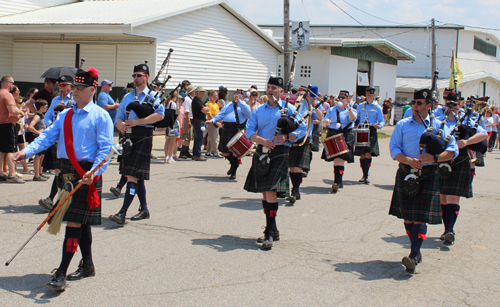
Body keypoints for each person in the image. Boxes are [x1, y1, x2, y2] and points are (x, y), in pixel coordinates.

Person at [13, 67, 114, 290]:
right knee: (82, 223)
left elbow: (105, 149)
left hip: (87, 174)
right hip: (67, 174)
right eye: (73, 86)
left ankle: (61, 272)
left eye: (79, 87)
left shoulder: (101, 116)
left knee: (74, 223)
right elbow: (47, 137)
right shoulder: (65, 115)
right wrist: (26, 152)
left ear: (91, 89)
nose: (73, 90)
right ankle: (87, 264)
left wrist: (94, 173)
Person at [389, 89, 458, 274]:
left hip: (428, 175)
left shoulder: (439, 126)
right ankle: (416, 252)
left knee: (420, 217)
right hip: (405, 172)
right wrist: (408, 160)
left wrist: (435, 159)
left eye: (419, 103)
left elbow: (453, 151)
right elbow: (394, 147)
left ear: (429, 105)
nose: (414, 106)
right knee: (408, 218)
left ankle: (413, 254)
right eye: (413, 103)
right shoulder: (403, 124)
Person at [244, 76, 306, 250]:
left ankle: (268, 234)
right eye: (268, 87)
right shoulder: (258, 110)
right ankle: (274, 229)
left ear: (281, 91)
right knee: (265, 193)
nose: (270, 90)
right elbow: (249, 130)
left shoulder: (290, 109)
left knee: (270, 192)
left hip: (280, 153)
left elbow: (302, 129)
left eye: (274, 88)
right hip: (262, 152)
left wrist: (286, 137)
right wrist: (262, 140)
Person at [109, 63, 164, 224]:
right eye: (134, 75)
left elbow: (159, 116)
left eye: (139, 75)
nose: (136, 78)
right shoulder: (127, 97)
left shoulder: (153, 96)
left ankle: (122, 212)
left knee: (132, 176)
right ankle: (144, 209)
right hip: (127, 137)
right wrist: (120, 125)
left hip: (143, 136)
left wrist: (137, 121)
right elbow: (118, 117)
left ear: (146, 77)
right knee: (136, 176)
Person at [438, 92, 488, 246]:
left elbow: (483, 134)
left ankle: (449, 230)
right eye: (448, 104)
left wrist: (466, 142)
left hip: (460, 160)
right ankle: (447, 229)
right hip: (442, 159)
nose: (451, 107)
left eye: (454, 104)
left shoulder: (467, 119)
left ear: (459, 104)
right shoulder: (438, 119)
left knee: (453, 196)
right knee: (443, 197)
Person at [286, 86, 322, 203]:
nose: (301, 94)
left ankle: (295, 190)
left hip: (305, 136)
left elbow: (320, 117)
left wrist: (314, 103)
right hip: (291, 135)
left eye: (303, 92)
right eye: (299, 92)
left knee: (298, 166)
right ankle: (295, 189)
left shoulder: (311, 104)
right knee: (291, 166)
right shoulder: (293, 104)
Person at [206, 89, 251, 179]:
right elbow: (220, 114)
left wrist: (240, 102)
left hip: (236, 129)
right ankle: (234, 165)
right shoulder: (228, 105)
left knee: (235, 152)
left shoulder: (244, 106)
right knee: (224, 151)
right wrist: (212, 120)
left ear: (242, 97)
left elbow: (248, 112)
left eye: (238, 95)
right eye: (235, 95)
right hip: (226, 128)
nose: (236, 96)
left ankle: (233, 171)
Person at [321, 90, 357, 193]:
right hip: (333, 133)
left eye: (343, 98)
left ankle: (337, 181)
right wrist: (326, 121)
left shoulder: (352, 110)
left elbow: (352, 118)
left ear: (347, 99)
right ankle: (338, 181)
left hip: (345, 134)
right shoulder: (331, 109)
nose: (341, 99)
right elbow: (324, 121)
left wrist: (348, 108)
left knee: (340, 158)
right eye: (339, 98)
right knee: (336, 159)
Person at [354, 87, 385, 184]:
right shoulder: (360, 106)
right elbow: (355, 116)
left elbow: (382, 120)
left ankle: (366, 176)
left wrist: (379, 126)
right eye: (367, 95)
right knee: (362, 154)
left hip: (371, 130)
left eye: (370, 95)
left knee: (368, 152)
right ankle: (363, 174)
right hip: (362, 129)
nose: (368, 97)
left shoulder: (377, 107)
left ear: (374, 95)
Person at [0, 75, 25, 183]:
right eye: (12, 83)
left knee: (1, 151)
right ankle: (12, 174)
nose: (13, 85)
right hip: (7, 125)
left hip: (1, 124)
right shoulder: (7, 95)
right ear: (8, 83)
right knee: (11, 150)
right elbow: (12, 110)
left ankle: (1, 172)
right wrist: (20, 112)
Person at [28, 99, 49, 181]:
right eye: (46, 106)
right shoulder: (37, 116)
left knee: (42, 156)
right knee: (38, 156)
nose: (47, 108)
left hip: (43, 139)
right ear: (42, 107)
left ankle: (40, 173)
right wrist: (38, 133)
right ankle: (36, 175)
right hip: (38, 139)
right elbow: (30, 127)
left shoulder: (42, 115)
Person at [191, 86, 209, 161]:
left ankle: (195, 154)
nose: (203, 94)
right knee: (200, 138)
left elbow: (207, 109)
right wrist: (206, 109)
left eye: (203, 93)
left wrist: (206, 109)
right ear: (197, 93)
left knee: (198, 138)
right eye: (201, 93)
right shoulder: (196, 101)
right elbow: (203, 110)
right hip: (198, 121)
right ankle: (198, 154)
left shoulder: (200, 101)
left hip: (200, 121)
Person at [205, 90, 222, 158]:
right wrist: (215, 121)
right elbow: (209, 115)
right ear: (210, 96)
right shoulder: (209, 104)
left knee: (211, 138)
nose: (215, 97)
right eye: (214, 95)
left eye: (216, 95)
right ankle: (215, 152)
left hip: (215, 122)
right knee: (215, 138)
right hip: (212, 123)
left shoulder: (215, 104)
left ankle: (208, 152)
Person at [179, 84, 195, 159]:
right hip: (188, 119)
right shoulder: (187, 99)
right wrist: (188, 121)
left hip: (190, 119)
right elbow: (186, 111)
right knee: (187, 136)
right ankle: (182, 152)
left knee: (189, 137)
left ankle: (186, 151)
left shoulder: (190, 98)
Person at [163, 91, 179, 163]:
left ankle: (166, 156)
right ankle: (170, 156)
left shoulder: (165, 104)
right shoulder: (173, 104)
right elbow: (176, 114)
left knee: (167, 140)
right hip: (173, 124)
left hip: (167, 124)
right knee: (173, 141)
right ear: (175, 97)